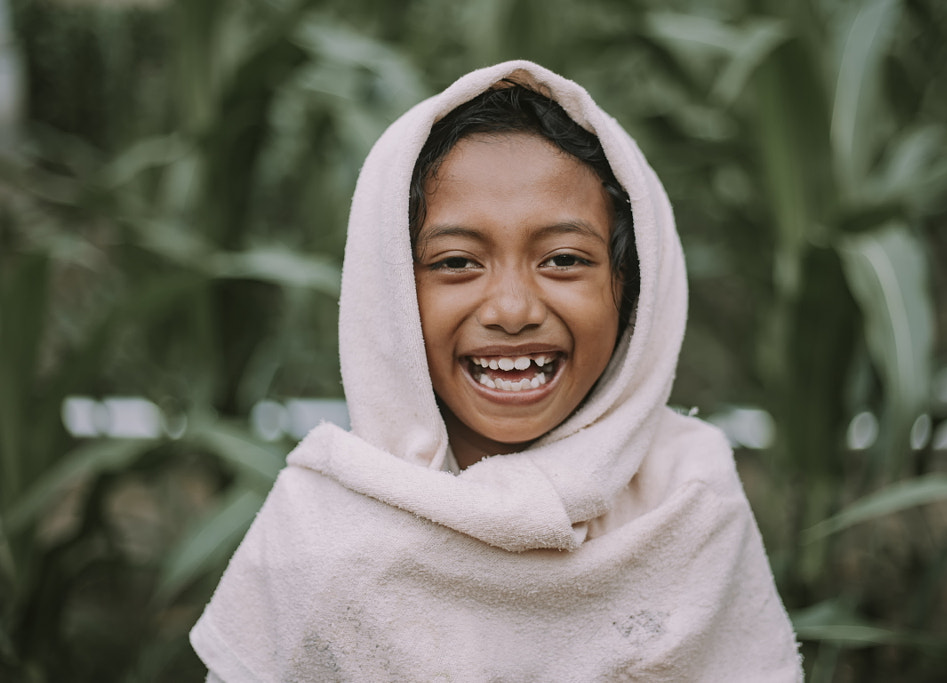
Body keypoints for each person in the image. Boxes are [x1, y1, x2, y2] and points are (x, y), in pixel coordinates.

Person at [190, 60, 803, 682]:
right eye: (457, 262)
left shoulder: (686, 500)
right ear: (392, 291)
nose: (513, 310)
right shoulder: (322, 536)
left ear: (632, 287)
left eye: (564, 259)